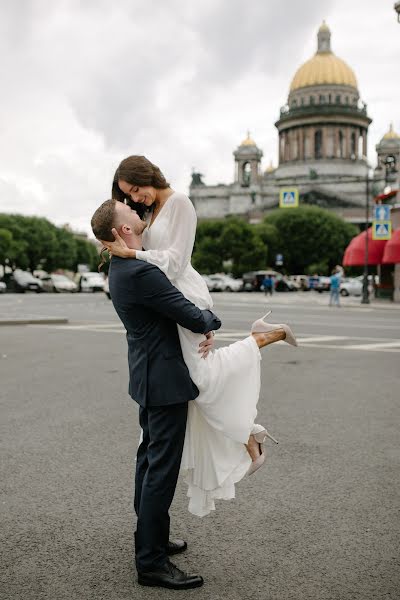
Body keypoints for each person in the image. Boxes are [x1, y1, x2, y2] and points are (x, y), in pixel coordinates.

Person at [101, 156, 298, 519]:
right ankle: (250, 429)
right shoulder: (154, 210)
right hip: (170, 301)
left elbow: (174, 263)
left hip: (181, 296)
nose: (137, 198)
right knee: (198, 385)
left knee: (200, 382)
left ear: (147, 175)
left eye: (136, 189)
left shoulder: (181, 204)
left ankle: (251, 420)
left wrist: (130, 253)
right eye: (130, 196)